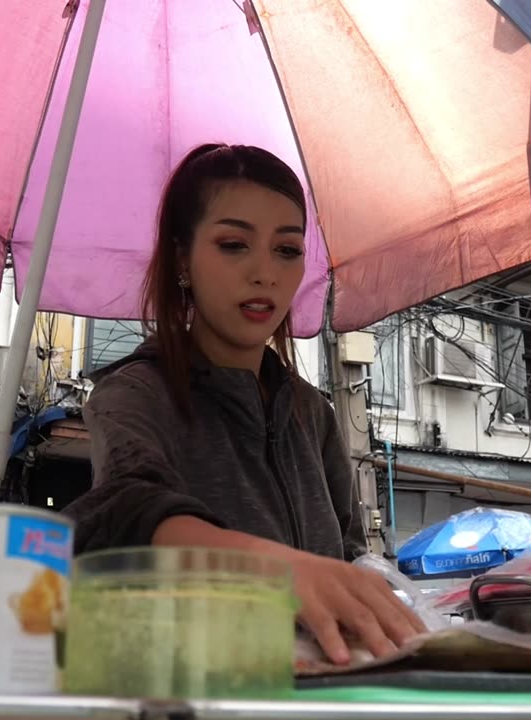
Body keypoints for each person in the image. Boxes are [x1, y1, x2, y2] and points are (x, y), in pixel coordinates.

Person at [63, 143, 425, 665]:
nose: (265, 273)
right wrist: (274, 570)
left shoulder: (313, 414)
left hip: (326, 687)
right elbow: (127, 507)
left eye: (287, 249)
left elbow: (348, 557)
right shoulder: (136, 393)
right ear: (181, 259)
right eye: (234, 244)